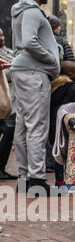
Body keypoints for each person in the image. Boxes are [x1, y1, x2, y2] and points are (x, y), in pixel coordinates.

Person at [9, 0, 61, 195]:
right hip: (33, 73)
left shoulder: (20, 11)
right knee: (36, 126)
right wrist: (50, 58)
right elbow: (29, 41)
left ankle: (24, 176)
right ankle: (36, 180)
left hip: (22, 71)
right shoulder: (31, 11)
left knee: (22, 124)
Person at [47, 60, 75, 190]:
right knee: (71, 153)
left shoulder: (54, 86)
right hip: (67, 126)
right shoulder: (71, 87)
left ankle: (60, 182)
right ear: (71, 73)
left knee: (58, 155)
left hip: (55, 125)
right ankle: (72, 183)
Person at [0, 25, 18, 180]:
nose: (2, 38)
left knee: (8, 131)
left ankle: (1, 167)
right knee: (7, 130)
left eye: (2, 35)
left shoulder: (8, 52)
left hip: (9, 101)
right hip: (3, 102)